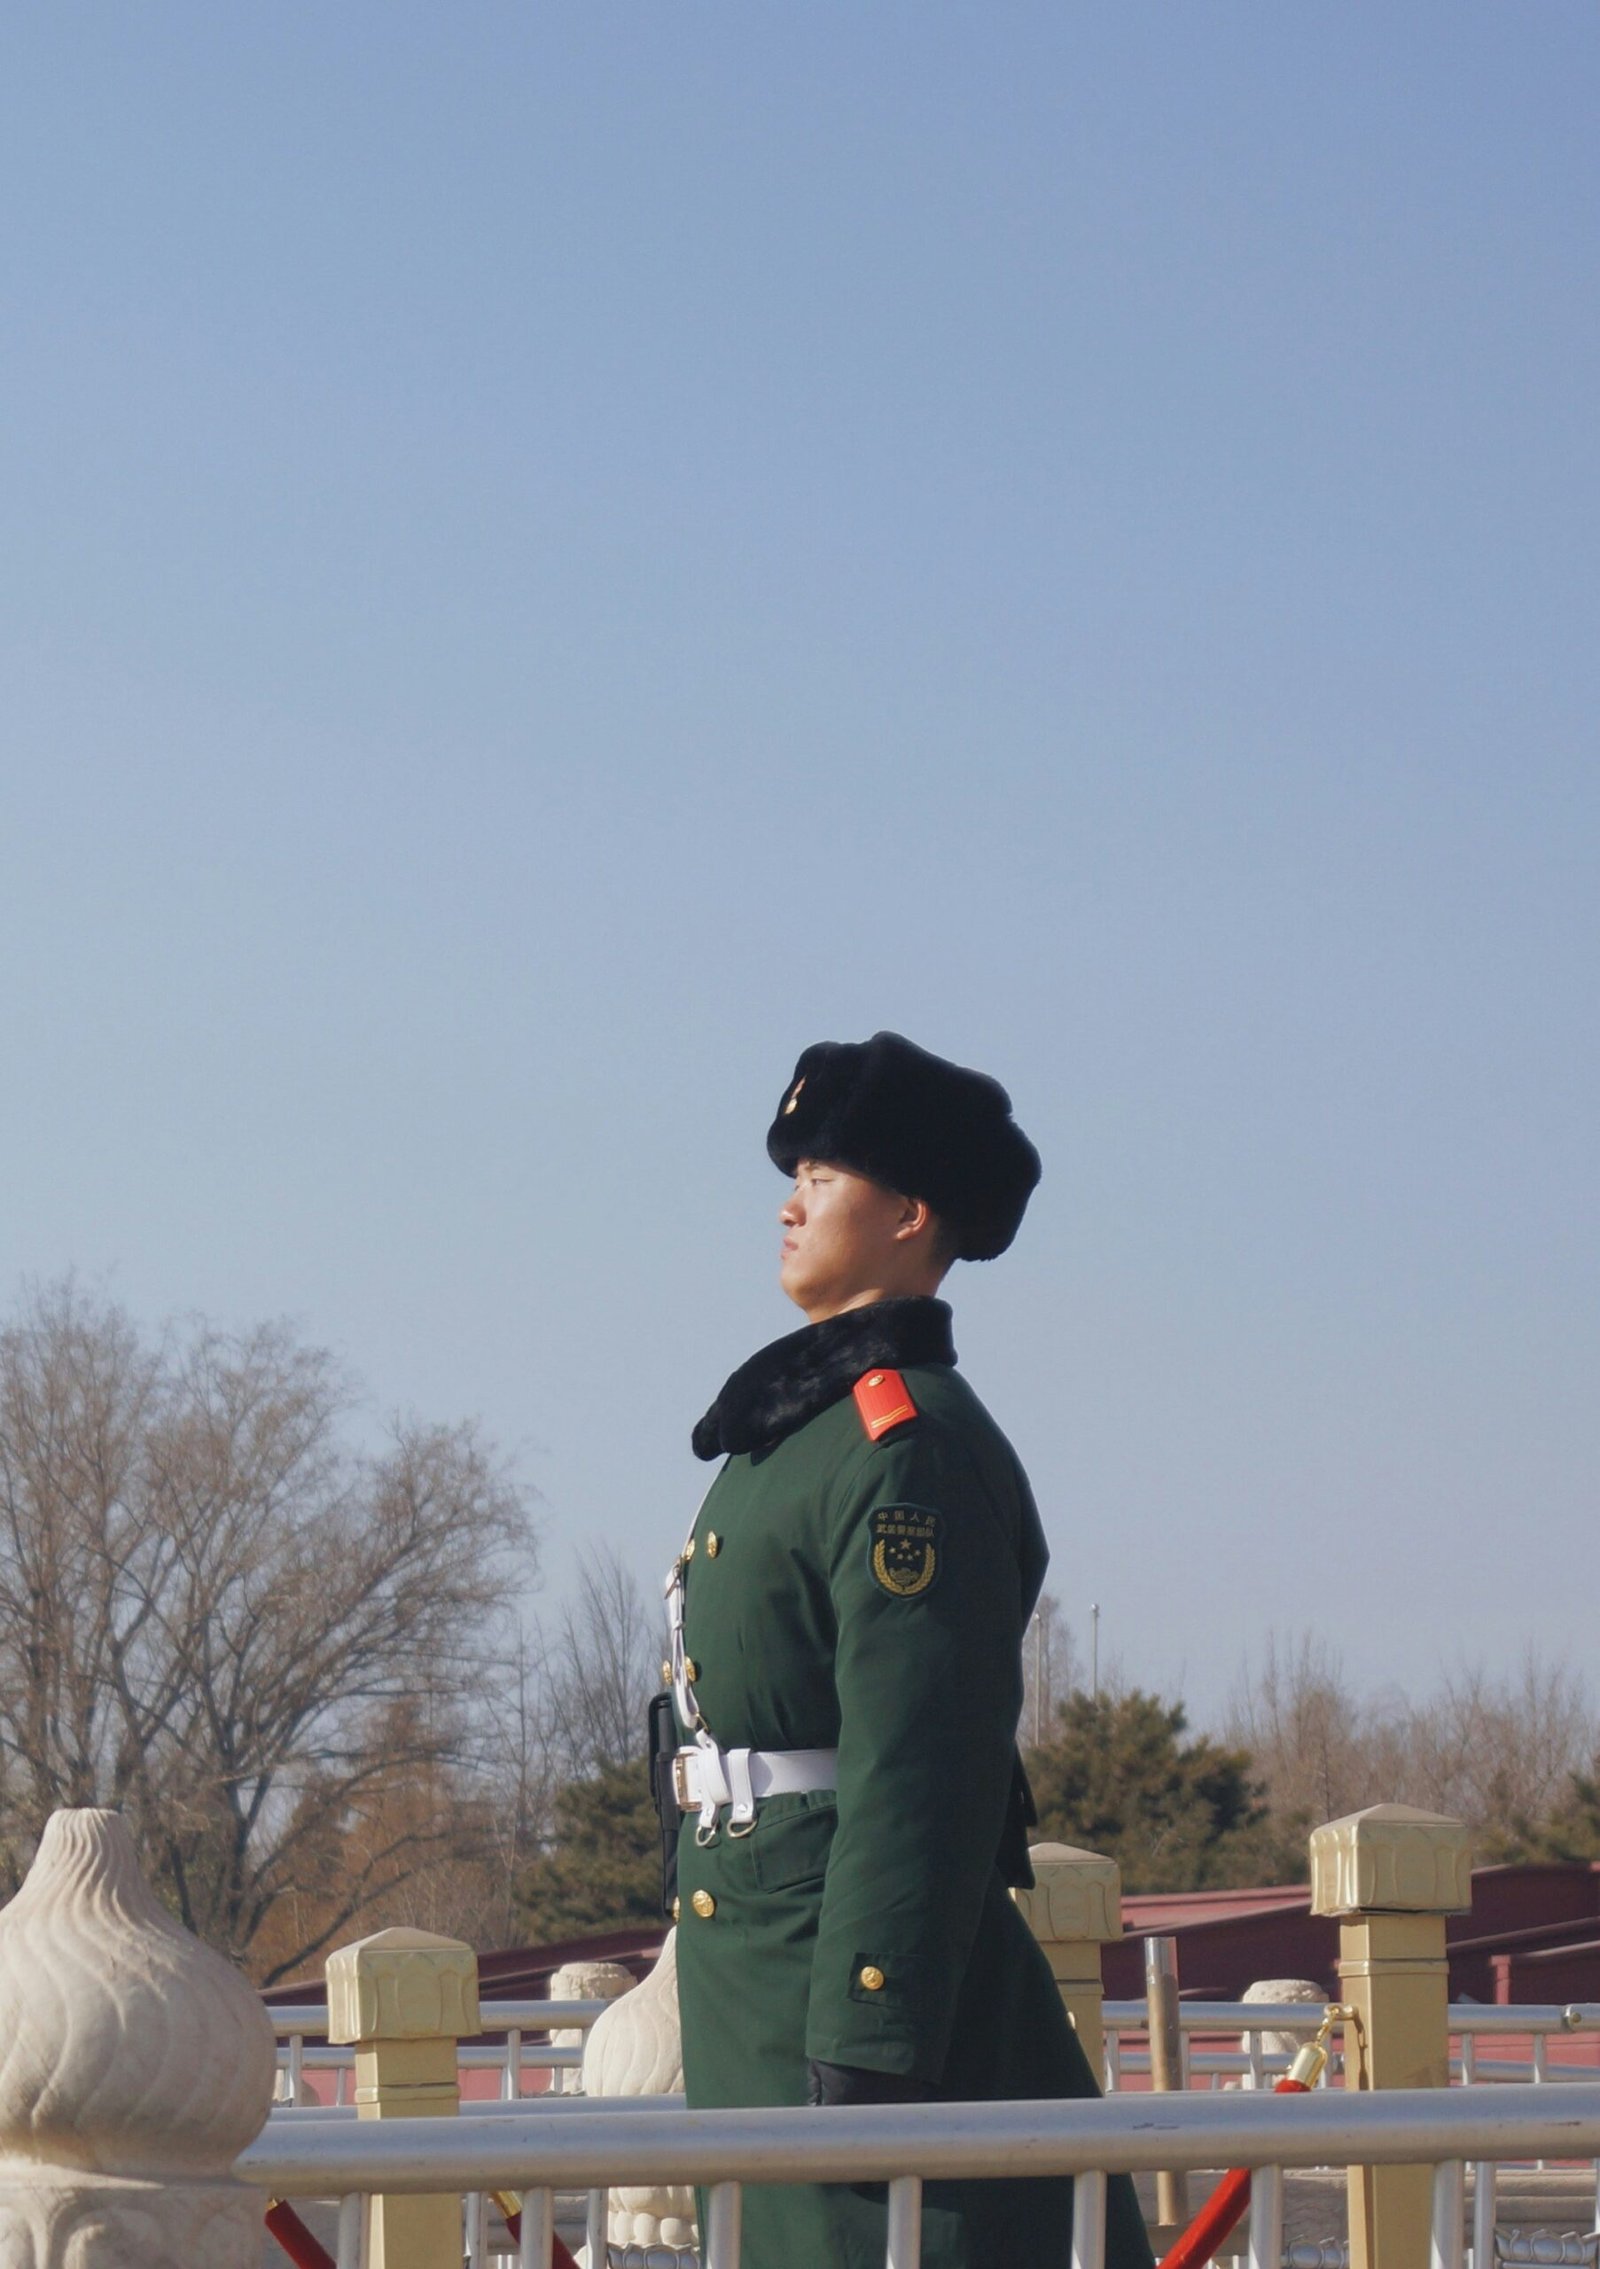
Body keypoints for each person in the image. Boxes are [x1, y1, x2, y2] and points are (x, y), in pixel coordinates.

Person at [665, 1032, 1154, 2269]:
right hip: (759, 1960)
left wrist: (870, 2040)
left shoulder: (905, 1446)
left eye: (824, 1175)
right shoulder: (797, 1433)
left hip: (842, 1975)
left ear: (910, 1214)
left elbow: (921, 1763)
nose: (790, 1201)